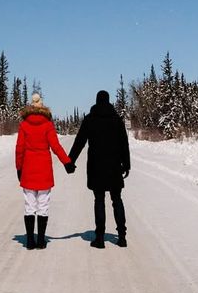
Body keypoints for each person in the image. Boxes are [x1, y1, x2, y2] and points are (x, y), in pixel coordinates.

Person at [69, 89, 130, 248]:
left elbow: (79, 141)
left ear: (96, 101)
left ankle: (100, 238)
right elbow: (124, 144)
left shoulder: (90, 119)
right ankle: (122, 237)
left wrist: (70, 161)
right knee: (117, 199)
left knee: (99, 200)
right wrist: (127, 164)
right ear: (108, 101)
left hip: (96, 166)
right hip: (115, 166)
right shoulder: (117, 120)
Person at [15, 92, 75, 250]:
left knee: (29, 206)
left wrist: (19, 167)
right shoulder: (48, 125)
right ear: (42, 107)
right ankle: (41, 240)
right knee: (43, 205)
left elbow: (19, 149)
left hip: (28, 169)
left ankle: (29, 240)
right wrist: (67, 162)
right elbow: (56, 146)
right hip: (44, 170)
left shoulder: (24, 125)